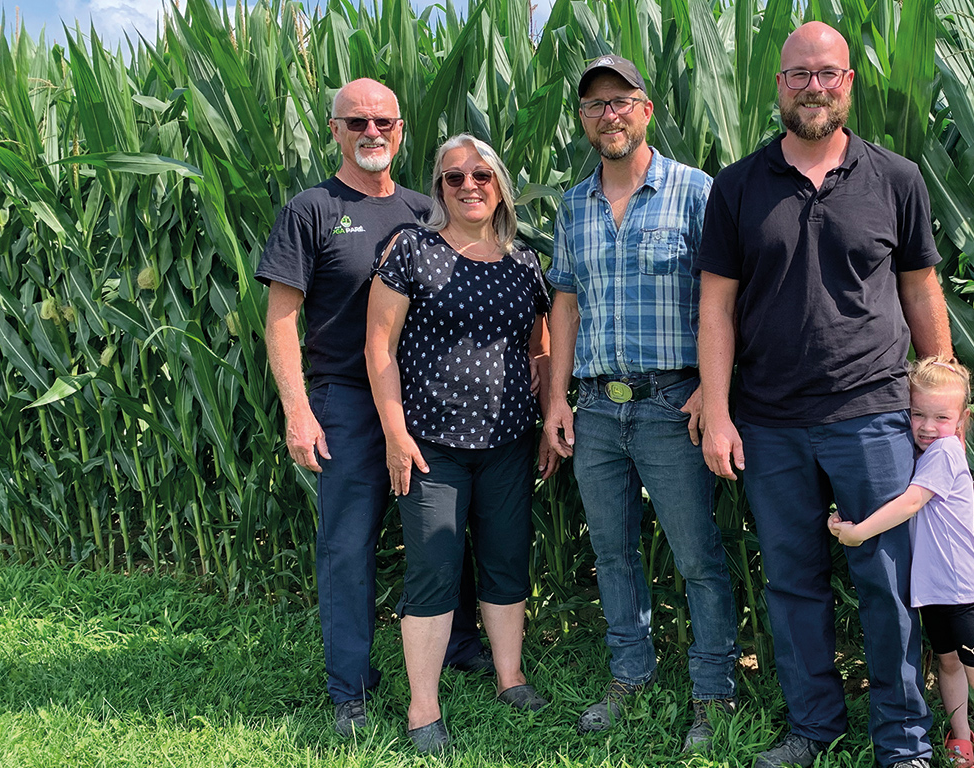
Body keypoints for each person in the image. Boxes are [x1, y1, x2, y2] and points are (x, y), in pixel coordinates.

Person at [696, 22, 953, 768]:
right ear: (778, 85)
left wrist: (942, 405)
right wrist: (717, 412)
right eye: (799, 75)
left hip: (872, 413)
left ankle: (903, 741)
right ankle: (812, 727)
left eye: (828, 74)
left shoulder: (895, 178)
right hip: (769, 419)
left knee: (888, 583)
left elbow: (920, 289)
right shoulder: (739, 186)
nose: (814, 87)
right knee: (792, 581)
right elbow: (715, 307)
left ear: (849, 83)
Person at [255, 78, 490, 738]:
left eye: (384, 121)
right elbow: (281, 318)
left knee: (446, 531)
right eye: (356, 121)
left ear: (402, 129)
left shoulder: (426, 209)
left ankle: (460, 649)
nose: (371, 132)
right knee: (348, 545)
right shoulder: (312, 209)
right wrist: (298, 411)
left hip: (428, 400)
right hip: (346, 402)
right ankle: (350, 687)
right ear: (334, 130)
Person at [543, 54, 740, 750]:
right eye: (595, 105)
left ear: (646, 108)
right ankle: (630, 674)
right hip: (597, 407)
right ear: (583, 119)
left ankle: (713, 694)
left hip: (671, 404)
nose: (609, 114)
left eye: (621, 100)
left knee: (696, 557)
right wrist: (558, 399)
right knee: (612, 552)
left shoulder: (696, 192)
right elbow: (564, 303)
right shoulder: (574, 204)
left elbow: (726, 301)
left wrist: (713, 397)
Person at [367, 133, 556, 754]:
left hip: (506, 440)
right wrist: (395, 433)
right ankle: (424, 708)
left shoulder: (524, 262)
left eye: (481, 175)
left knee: (506, 560)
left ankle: (510, 676)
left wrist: (548, 399)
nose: (469, 186)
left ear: (499, 182)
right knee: (432, 570)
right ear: (439, 187)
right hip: (431, 445)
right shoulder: (411, 252)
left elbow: (540, 343)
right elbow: (380, 347)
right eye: (454, 178)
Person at [829, 358, 974, 768]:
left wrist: (859, 533)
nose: (927, 426)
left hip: (964, 590)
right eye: (917, 414)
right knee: (947, 664)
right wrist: (846, 516)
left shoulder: (945, 451)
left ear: (961, 420)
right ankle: (961, 739)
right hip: (932, 590)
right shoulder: (918, 451)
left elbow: (909, 503)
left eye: (941, 417)